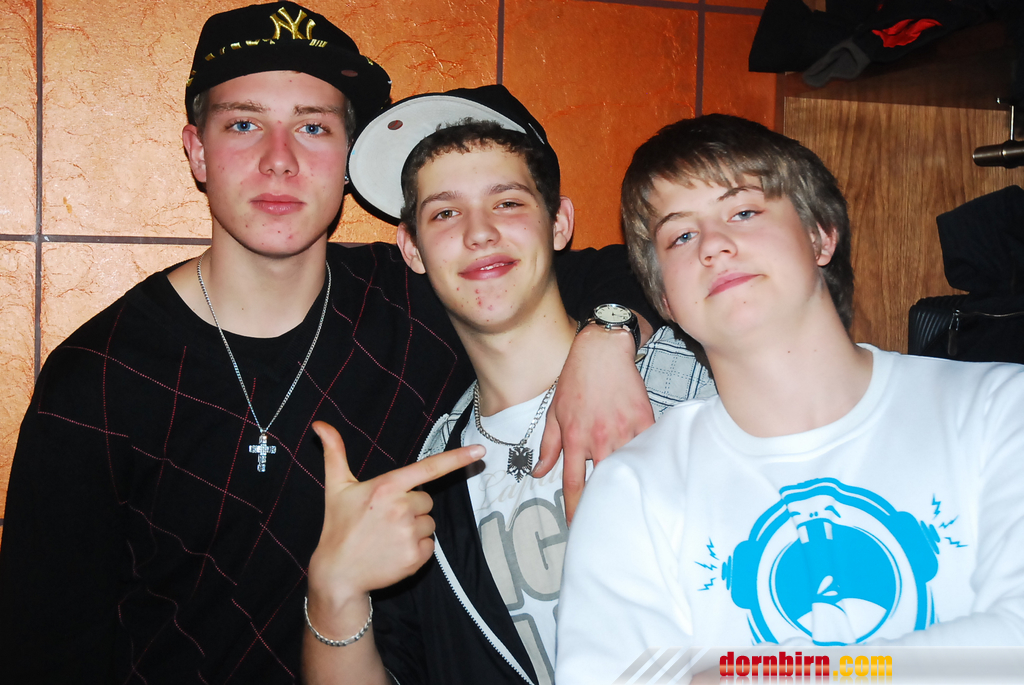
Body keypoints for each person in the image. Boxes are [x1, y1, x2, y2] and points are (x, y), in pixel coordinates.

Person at [0, 4, 661, 682]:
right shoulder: (97, 379)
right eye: (244, 124)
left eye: (312, 127)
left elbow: (617, 267)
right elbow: (43, 650)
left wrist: (608, 336)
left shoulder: (420, 295)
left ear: (348, 159)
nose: (279, 160)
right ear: (196, 150)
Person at [556, 114, 1024, 683]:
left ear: (821, 235)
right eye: (681, 236)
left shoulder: (1000, 410)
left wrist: (738, 673)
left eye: (743, 212)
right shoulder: (631, 489)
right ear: (665, 300)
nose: (714, 245)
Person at [299, 86, 714, 685]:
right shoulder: (426, 484)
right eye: (445, 213)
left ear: (559, 223)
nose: (480, 233)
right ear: (411, 249)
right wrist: (333, 590)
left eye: (508, 203)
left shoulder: (702, 377)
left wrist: (612, 330)